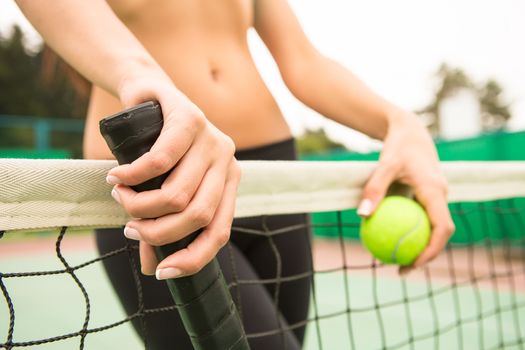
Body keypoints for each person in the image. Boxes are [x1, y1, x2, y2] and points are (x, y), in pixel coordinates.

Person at [17, 1, 455, 349]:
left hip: (273, 181)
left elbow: (302, 61)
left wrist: (401, 123)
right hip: (155, 180)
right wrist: (145, 79)